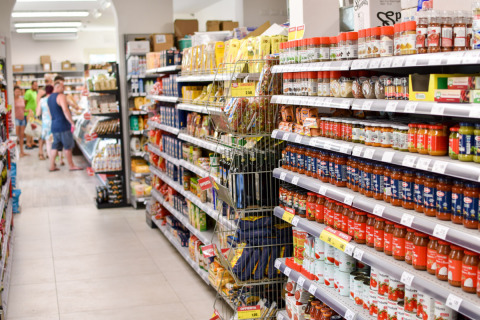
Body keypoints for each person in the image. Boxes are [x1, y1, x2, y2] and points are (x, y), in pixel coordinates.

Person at [47, 80, 82, 172]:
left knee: (55, 146)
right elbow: (65, 110)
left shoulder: (49, 98)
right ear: (57, 87)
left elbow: (50, 113)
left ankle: (51, 166)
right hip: (63, 125)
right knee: (67, 146)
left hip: (54, 125)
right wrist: (71, 122)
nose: (64, 89)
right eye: (62, 87)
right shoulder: (61, 96)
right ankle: (71, 165)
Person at [36, 85, 53, 160]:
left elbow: (38, 113)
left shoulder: (42, 100)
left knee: (44, 139)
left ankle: (44, 154)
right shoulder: (54, 99)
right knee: (52, 141)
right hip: (54, 122)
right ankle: (53, 157)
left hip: (45, 123)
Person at [14, 86, 28, 157]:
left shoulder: (22, 99)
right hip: (16, 119)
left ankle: (22, 151)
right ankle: (16, 152)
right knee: (16, 137)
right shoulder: (12, 100)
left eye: (19, 91)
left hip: (22, 119)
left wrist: (28, 110)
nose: (18, 93)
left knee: (22, 136)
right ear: (13, 92)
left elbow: (23, 109)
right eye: (16, 91)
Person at [24, 80, 38, 149]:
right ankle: (27, 143)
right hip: (29, 113)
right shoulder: (28, 92)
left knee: (32, 128)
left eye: (37, 85)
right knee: (29, 128)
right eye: (35, 85)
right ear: (32, 85)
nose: (36, 86)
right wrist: (25, 110)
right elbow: (24, 102)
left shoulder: (35, 92)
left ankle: (32, 142)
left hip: (34, 113)